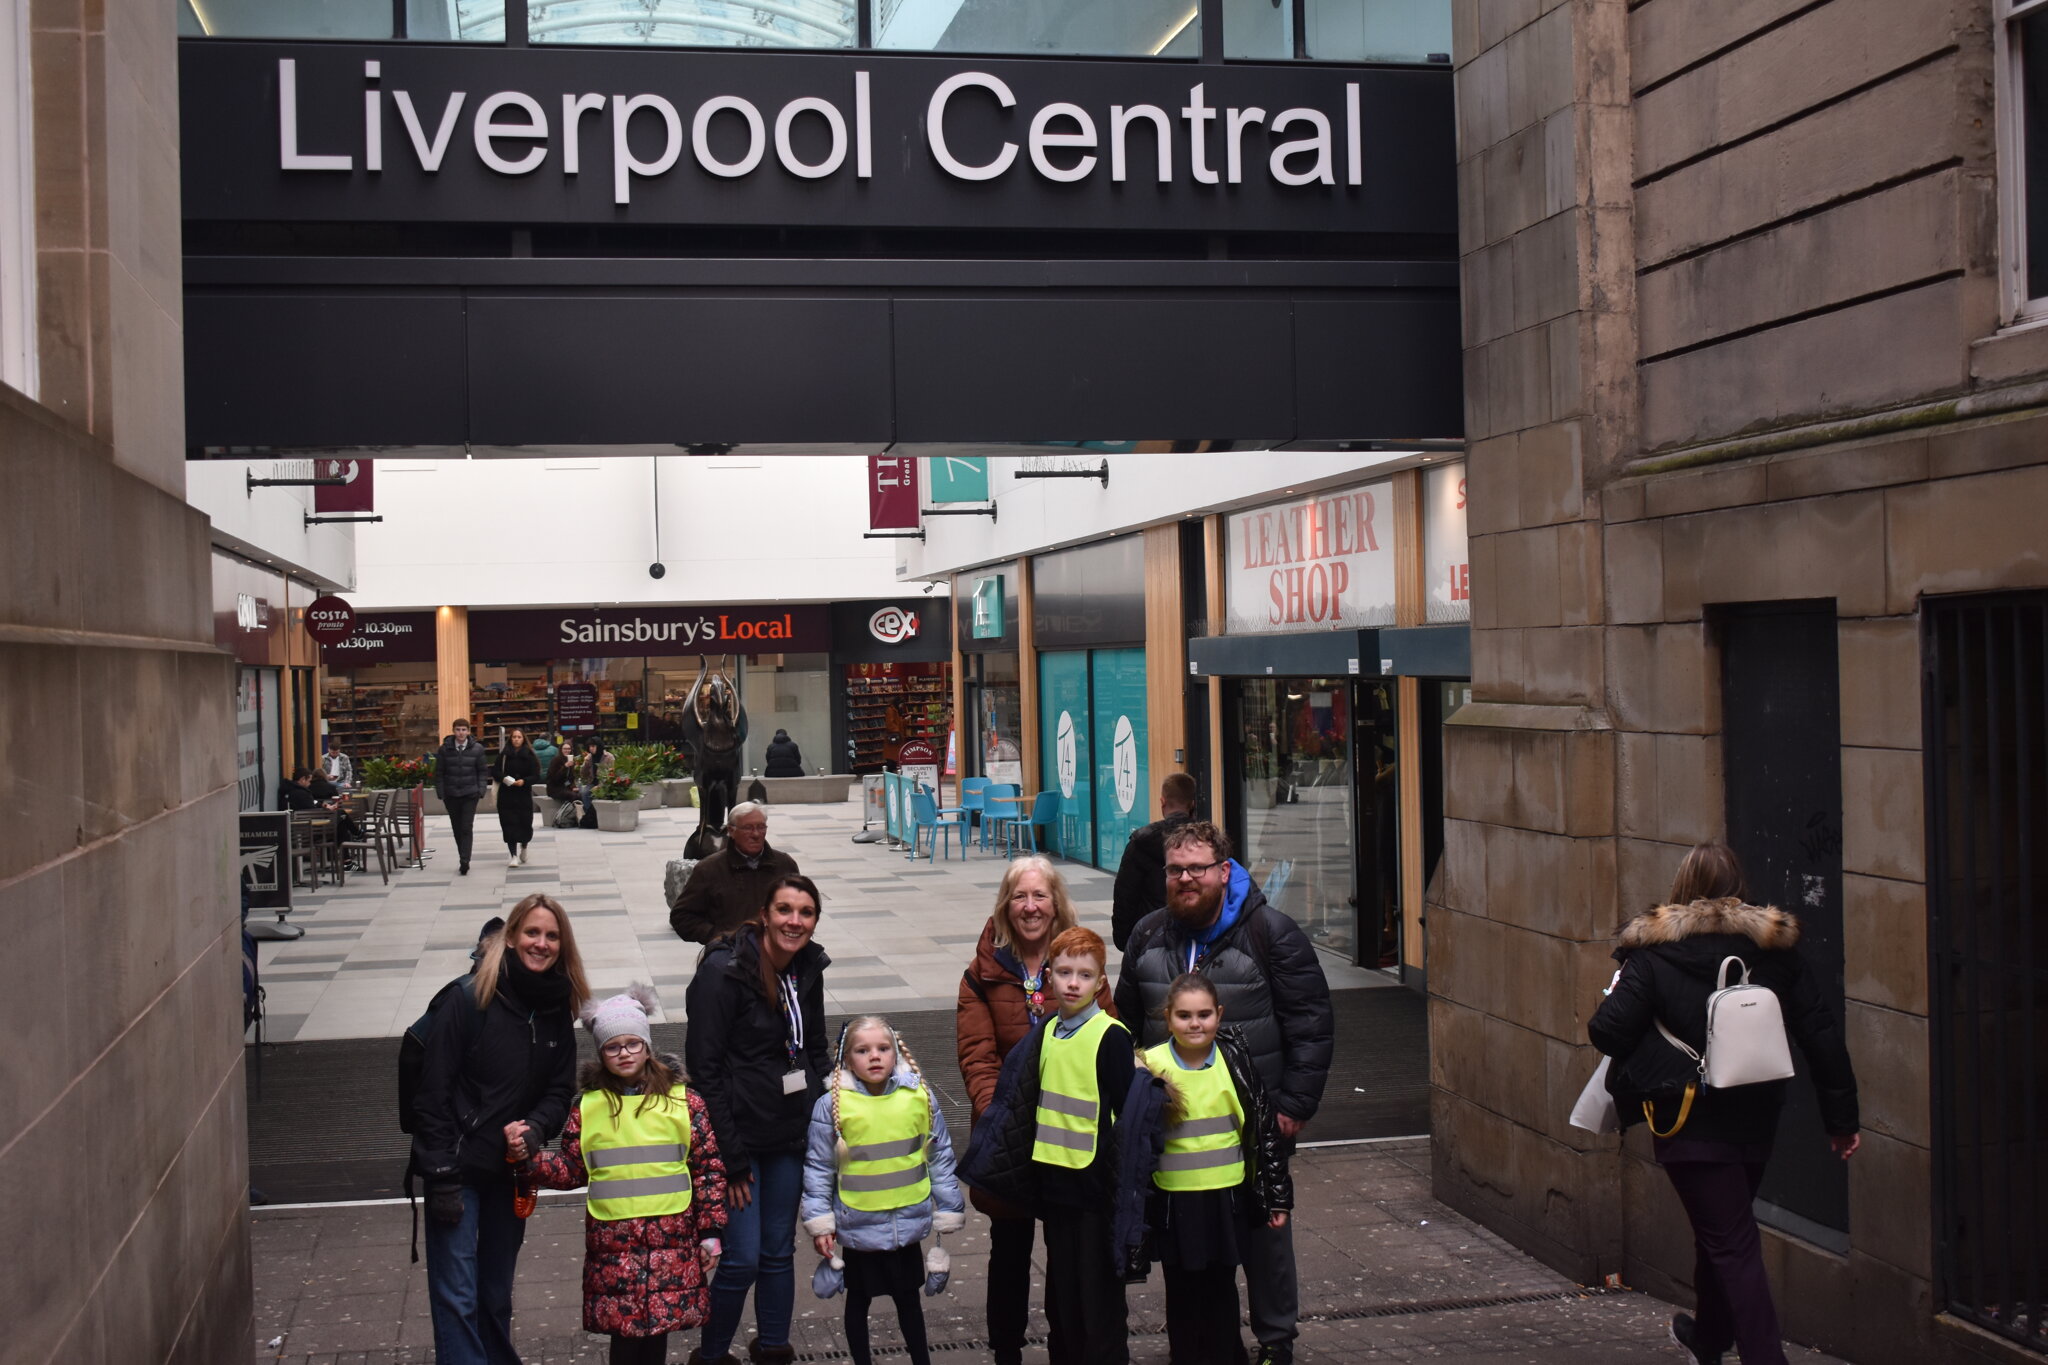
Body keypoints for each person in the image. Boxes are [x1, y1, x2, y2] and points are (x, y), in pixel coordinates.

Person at [1590, 842, 1860, 1365]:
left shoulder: (1652, 954)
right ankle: (1709, 1338)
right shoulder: (1775, 952)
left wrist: (1625, 989)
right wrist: (1842, 1120)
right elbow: (1820, 1034)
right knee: (1724, 1231)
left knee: (1731, 1241)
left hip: (1686, 1120)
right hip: (1757, 1116)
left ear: (1681, 888)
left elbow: (1608, 1032)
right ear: (1740, 887)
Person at [1115, 822, 1333, 1365]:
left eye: (1197, 868)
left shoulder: (1270, 932)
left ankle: (1276, 1342)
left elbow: (1311, 1021)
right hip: (1175, 1134)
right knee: (1190, 1248)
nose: (1186, 879)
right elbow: (1125, 1025)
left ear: (1224, 871)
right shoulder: (1147, 934)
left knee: (1264, 1238)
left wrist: (1293, 1106)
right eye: (1175, 870)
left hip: (1254, 1123)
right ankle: (1202, 1345)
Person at [412, 895, 590, 1365]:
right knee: (456, 1296)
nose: (542, 943)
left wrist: (534, 1130)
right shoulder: (469, 999)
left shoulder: (555, 1007)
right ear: (510, 938)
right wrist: (443, 1175)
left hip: (509, 1171)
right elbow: (432, 1095)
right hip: (457, 1170)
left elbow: (558, 1091)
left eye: (552, 936)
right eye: (532, 933)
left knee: (494, 1295)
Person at [512, 986, 730, 1365]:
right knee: (625, 1341)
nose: (624, 1053)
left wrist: (711, 1232)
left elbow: (708, 1168)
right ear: (601, 1053)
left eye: (633, 1043)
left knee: (657, 1336)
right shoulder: (590, 1107)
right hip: (615, 1248)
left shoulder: (685, 1102)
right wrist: (531, 1162)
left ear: (647, 1045)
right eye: (613, 1047)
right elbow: (572, 1169)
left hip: (672, 1241)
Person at [954, 856, 1114, 1365]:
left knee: (1069, 1256)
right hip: (1011, 1140)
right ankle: (1007, 1351)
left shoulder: (1081, 963)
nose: (1030, 907)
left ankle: (1067, 1349)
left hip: (1070, 1136)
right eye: (1020, 897)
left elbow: (1106, 1037)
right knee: (1009, 1253)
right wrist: (1005, 1118)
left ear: (1056, 902)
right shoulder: (982, 974)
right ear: (1006, 904)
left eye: (1040, 896)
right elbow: (977, 1058)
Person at [684, 876, 831, 1365]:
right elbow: (703, 1071)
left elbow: (814, 1050)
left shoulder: (807, 967)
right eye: (785, 910)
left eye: (805, 912)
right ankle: (711, 1355)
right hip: (738, 1140)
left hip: (788, 1133)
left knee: (777, 1253)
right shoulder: (723, 973)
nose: (795, 921)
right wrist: (730, 1159)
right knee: (741, 1257)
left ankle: (773, 1348)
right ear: (765, 914)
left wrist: (835, 1104)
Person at [1139, 972, 1293, 1365]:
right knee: (1182, 1287)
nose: (1195, 1024)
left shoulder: (1234, 1063)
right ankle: (1186, 1355)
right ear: (1168, 1017)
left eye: (1204, 1014)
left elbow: (1262, 1131)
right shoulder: (1151, 1066)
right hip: (1175, 1201)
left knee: (1222, 1284)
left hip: (1227, 1198)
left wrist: (1276, 1197)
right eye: (1185, 1015)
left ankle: (1226, 1355)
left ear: (1219, 1015)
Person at [799, 1016, 966, 1365]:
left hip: (907, 1222)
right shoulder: (830, 1107)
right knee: (858, 1301)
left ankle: (922, 1359)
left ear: (896, 1053)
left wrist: (949, 1205)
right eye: (863, 1050)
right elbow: (818, 1169)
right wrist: (821, 1222)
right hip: (858, 1227)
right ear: (846, 1059)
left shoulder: (918, 1096)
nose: (874, 1056)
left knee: (909, 1301)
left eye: (882, 1048)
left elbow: (938, 1154)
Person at [669, 803, 801, 945]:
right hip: (730, 959)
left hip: (779, 955)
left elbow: (803, 906)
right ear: (731, 831)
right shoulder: (709, 869)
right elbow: (682, 916)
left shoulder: (784, 864)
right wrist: (719, 938)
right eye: (748, 828)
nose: (756, 834)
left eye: (761, 827)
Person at [1110, 772, 1198, 951]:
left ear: (1162, 802)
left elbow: (1124, 896)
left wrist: (1124, 940)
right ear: (1192, 805)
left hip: (1151, 937)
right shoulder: (1205, 843)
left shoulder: (1141, 842)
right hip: (1197, 934)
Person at [437, 718, 491, 875]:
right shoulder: (444, 749)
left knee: (466, 826)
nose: (461, 733)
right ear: (453, 731)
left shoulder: (477, 749)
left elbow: (482, 771)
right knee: (456, 827)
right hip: (451, 793)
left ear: (468, 731)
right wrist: (441, 792)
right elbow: (439, 772)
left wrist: (481, 790)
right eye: (458, 730)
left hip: (470, 793)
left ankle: (464, 859)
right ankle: (462, 852)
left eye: (463, 730)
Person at [495, 727, 540, 866]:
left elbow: (536, 775)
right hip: (506, 796)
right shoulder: (504, 755)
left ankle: (524, 846)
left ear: (523, 739)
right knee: (509, 825)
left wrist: (524, 781)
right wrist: (508, 780)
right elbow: (495, 772)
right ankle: (513, 855)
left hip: (523, 795)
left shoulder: (530, 755)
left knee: (525, 823)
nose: (516, 739)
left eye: (519, 737)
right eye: (514, 737)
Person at [547, 738, 581, 805]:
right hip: (555, 788)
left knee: (581, 795)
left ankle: (580, 813)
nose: (567, 751)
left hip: (564, 787)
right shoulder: (556, 760)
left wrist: (572, 787)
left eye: (569, 749)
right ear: (561, 750)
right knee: (573, 796)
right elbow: (555, 778)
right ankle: (578, 813)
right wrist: (565, 767)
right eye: (565, 749)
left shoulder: (571, 761)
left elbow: (570, 779)